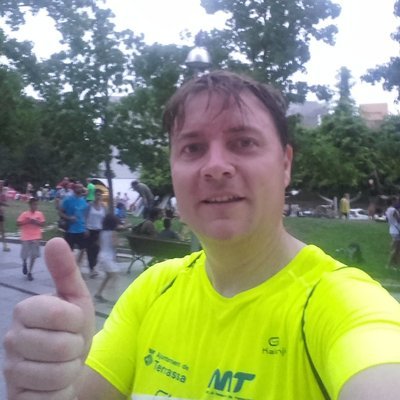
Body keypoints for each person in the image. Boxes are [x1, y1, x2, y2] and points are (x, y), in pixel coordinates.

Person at [4, 71, 400, 400]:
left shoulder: (341, 305)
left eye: (243, 142)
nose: (215, 167)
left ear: (285, 164)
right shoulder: (153, 290)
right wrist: (49, 385)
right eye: (193, 148)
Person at [59, 182, 88, 265]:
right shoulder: (68, 199)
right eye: (78, 187)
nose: (80, 189)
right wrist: (69, 218)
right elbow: (60, 212)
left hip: (81, 229)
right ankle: (68, 265)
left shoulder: (83, 201)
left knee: (83, 248)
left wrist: (86, 228)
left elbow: (85, 216)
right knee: (68, 250)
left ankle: (77, 265)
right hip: (70, 230)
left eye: (81, 187)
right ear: (74, 189)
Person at [94, 213, 121, 302]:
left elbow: (98, 243)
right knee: (115, 276)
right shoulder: (113, 233)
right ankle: (114, 296)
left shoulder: (102, 232)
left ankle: (99, 293)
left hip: (102, 255)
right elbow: (115, 244)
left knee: (108, 276)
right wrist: (119, 241)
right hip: (108, 257)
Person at [16, 197, 46, 281]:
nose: (35, 206)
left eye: (36, 205)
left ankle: (30, 272)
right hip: (26, 236)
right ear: (30, 205)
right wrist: (27, 221)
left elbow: (43, 224)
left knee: (34, 255)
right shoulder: (24, 214)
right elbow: (18, 223)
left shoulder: (39, 214)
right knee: (24, 254)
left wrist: (36, 222)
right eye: (33, 205)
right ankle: (24, 263)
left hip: (36, 236)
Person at [85, 189, 106, 278]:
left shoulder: (103, 206)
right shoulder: (90, 205)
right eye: (97, 195)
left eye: (100, 195)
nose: (98, 196)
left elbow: (104, 219)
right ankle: (92, 269)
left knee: (97, 250)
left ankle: (93, 266)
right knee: (90, 250)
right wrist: (85, 228)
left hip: (99, 231)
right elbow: (85, 217)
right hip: (90, 230)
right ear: (94, 196)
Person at [385, 196, 400, 270]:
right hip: (397, 230)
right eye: (396, 200)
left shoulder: (388, 210)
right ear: (392, 201)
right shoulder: (393, 210)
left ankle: (395, 265)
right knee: (395, 250)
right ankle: (388, 265)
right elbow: (398, 220)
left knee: (397, 250)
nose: (397, 202)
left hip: (392, 229)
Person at [0, 180, 10, 252]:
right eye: (0, 184)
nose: (1, 186)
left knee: (3, 230)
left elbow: (5, 203)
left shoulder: (3, 194)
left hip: (1, 214)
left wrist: (3, 204)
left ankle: (5, 246)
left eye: (2, 184)